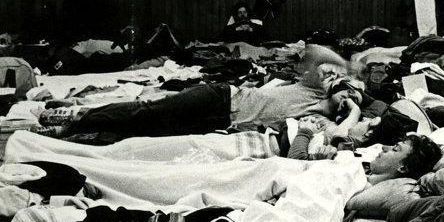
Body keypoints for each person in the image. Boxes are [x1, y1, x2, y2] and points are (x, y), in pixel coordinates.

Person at [35, 45, 354, 139]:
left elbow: (344, 133)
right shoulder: (312, 90)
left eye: (350, 100)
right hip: (221, 96)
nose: (345, 97)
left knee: (148, 130)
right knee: (147, 109)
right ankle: (75, 118)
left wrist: (353, 107)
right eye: (344, 91)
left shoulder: (321, 123)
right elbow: (316, 52)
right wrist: (349, 72)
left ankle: (80, 128)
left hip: (217, 124)